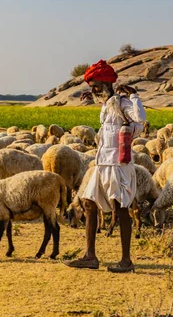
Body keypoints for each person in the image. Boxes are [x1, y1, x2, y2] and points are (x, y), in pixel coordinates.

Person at [64, 60, 146, 273]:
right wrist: (95, 96)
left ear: (107, 84)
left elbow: (139, 118)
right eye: (91, 87)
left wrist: (134, 95)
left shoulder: (122, 103)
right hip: (102, 163)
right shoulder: (106, 105)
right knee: (89, 203)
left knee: (121, 209)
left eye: (96, 86)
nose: (93, 91)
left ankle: (126, 261)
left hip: (118, 164)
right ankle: (90, 256)